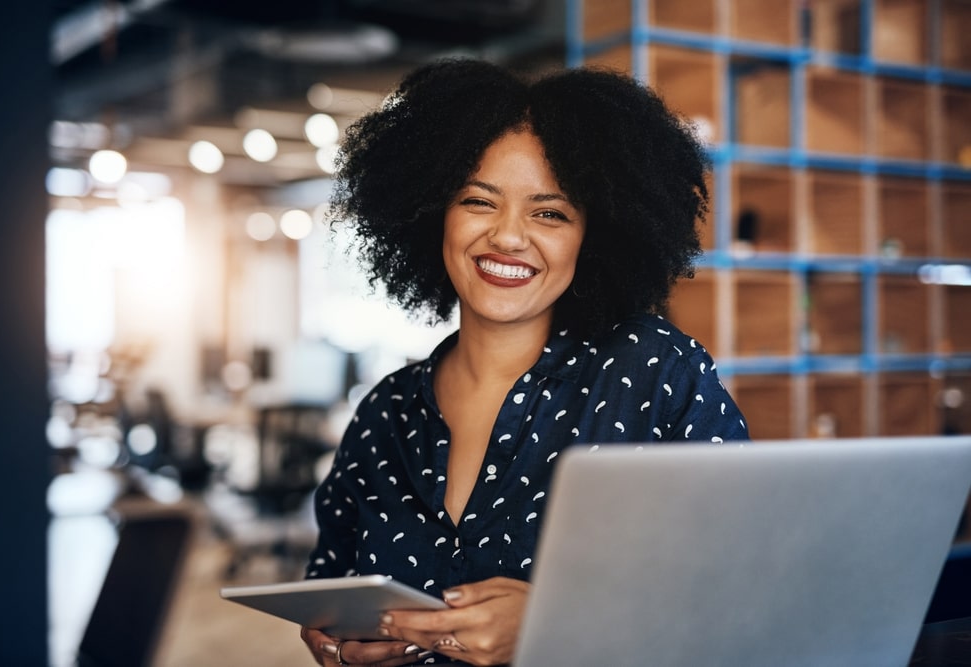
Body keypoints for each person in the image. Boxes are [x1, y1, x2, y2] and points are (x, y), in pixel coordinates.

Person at [299, 57, 750, 667]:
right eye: (479, 202)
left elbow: (742, 590)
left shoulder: (653, 372)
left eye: (550, 212)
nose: (509, 237)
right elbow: (330, 588)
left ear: (594, 235)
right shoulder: (386, 412)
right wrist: (339, 647)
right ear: (435, 213)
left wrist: (555, 621)